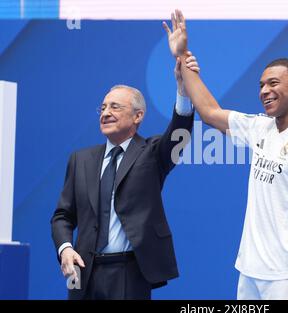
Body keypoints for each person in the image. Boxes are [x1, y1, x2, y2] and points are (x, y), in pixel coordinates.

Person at [163, 10, 288, 300]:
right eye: (261, 85)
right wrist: (182, 57)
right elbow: (210, 112)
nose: (264, 91)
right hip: (250, 271)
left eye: (273, 83)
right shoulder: (261, 127)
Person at [51, 58, 200, 299]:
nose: (106, 113)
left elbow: (179, 132)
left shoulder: (152, 153)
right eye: (103, 108)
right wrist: (65, 248)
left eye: (115, 107)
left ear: (138, 116)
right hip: (83, 273)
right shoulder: (80, 159)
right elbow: (62, 216)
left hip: (129, 273)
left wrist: (183, 90)